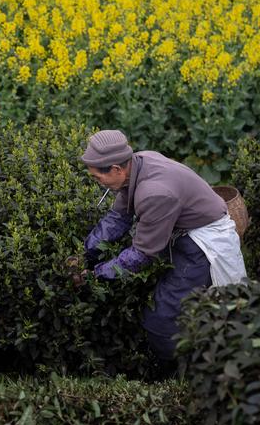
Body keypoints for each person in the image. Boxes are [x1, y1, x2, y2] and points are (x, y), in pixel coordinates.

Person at [79, 130, 246, 377]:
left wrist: (95, 275)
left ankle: (177, 376)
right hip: (184, 233)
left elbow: (140, 256)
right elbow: (118, 218)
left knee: (161, 319)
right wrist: (85, 254)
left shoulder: (155, 192)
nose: (97, 182)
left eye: (97, 177)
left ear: (116, 169)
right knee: (184, 307)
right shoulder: (137, 163)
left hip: (202, 245)